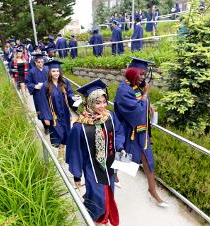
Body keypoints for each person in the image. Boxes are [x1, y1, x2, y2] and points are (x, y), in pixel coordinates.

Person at [66, 79, 125, 226]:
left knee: (109, 192)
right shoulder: (80, 126)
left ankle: (103, 219)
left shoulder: (109, 116)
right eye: (98, 102)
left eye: (104, 101)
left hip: (110, 163)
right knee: (98, 197)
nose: (102, 106)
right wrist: (77, 175)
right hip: (91, 167)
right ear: (90, 103)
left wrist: (120, 147)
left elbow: (118, 132)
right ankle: (97, 220)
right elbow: (75, 152)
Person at [114, 57, 169, 208]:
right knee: (122, 156)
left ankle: (153, 191)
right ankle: (114, 176)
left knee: (147, 160)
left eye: (144, 74)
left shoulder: (138, 86)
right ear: (133, 73)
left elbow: (142, 105)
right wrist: (145, 97)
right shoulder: (123, 90)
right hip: (126, 131)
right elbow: (137, 112)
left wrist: (149, 106)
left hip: (141, 132)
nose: (144, 78)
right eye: (141, 74)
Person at [39, 59, 77, 148]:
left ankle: (61, 156)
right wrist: (46, 117)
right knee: (58, 136)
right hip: (54, 116)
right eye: (53, 71)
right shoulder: (46, 86)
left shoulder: (64, 82)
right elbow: (43, 103)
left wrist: (73, 98)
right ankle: (60, 158)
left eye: (57, 71)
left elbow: (70, 93)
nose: (56, 73)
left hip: (65, 114)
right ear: (49, 72)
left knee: (65, 136)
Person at [25, 53, 49, 134]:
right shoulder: (32, 71)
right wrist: (34, 86)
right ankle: (46, 127)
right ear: (35, 62)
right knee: (41, 110)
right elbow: (28, 82)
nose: (40, 63)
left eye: (42, 61)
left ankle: (52, 125)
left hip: (48, 93)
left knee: (50, 108)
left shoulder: (47, 69)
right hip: (38, 94)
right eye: (38, 62)